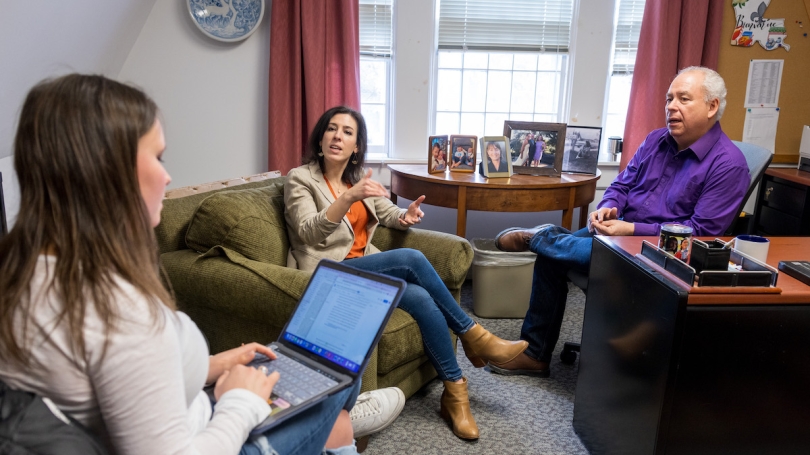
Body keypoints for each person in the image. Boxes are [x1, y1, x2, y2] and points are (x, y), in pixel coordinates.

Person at [0, 74, 379, 455]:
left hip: (194, 408)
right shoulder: (119, 311)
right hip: (216, 432)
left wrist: (212, 366)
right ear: (105, 171)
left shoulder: (27, 269)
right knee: (342, 372)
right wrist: (239, 402)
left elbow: (120, 381)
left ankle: (333, 425)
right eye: (158, 157)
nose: (167, 178)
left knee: (335, 413)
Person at [283, 106, 529, 440]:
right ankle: (475, 337)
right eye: (331, 129)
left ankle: (455, 392)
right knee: (411, 259)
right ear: (321, 137)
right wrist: (348, 198)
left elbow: (387, 212)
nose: (337, 136)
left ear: (356, 146)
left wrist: (406, 215)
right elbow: (308, 231)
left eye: (347, 132)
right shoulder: (300, 178)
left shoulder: (357, 180)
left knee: (420, 297)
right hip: (328, 275)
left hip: (359, 269)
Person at [490, 66, 749, 377]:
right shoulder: (656, 140)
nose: (671, 107)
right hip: (616, 231)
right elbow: (621, 186)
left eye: (683, 99)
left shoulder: (729, 164)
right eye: (669, 99)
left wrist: (631, 230)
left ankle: (539, 238)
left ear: (712, 106)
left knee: (553, 252)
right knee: (555, 257)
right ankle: (535, 355)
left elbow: (703, 233)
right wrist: (609, 207)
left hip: (658, 253)